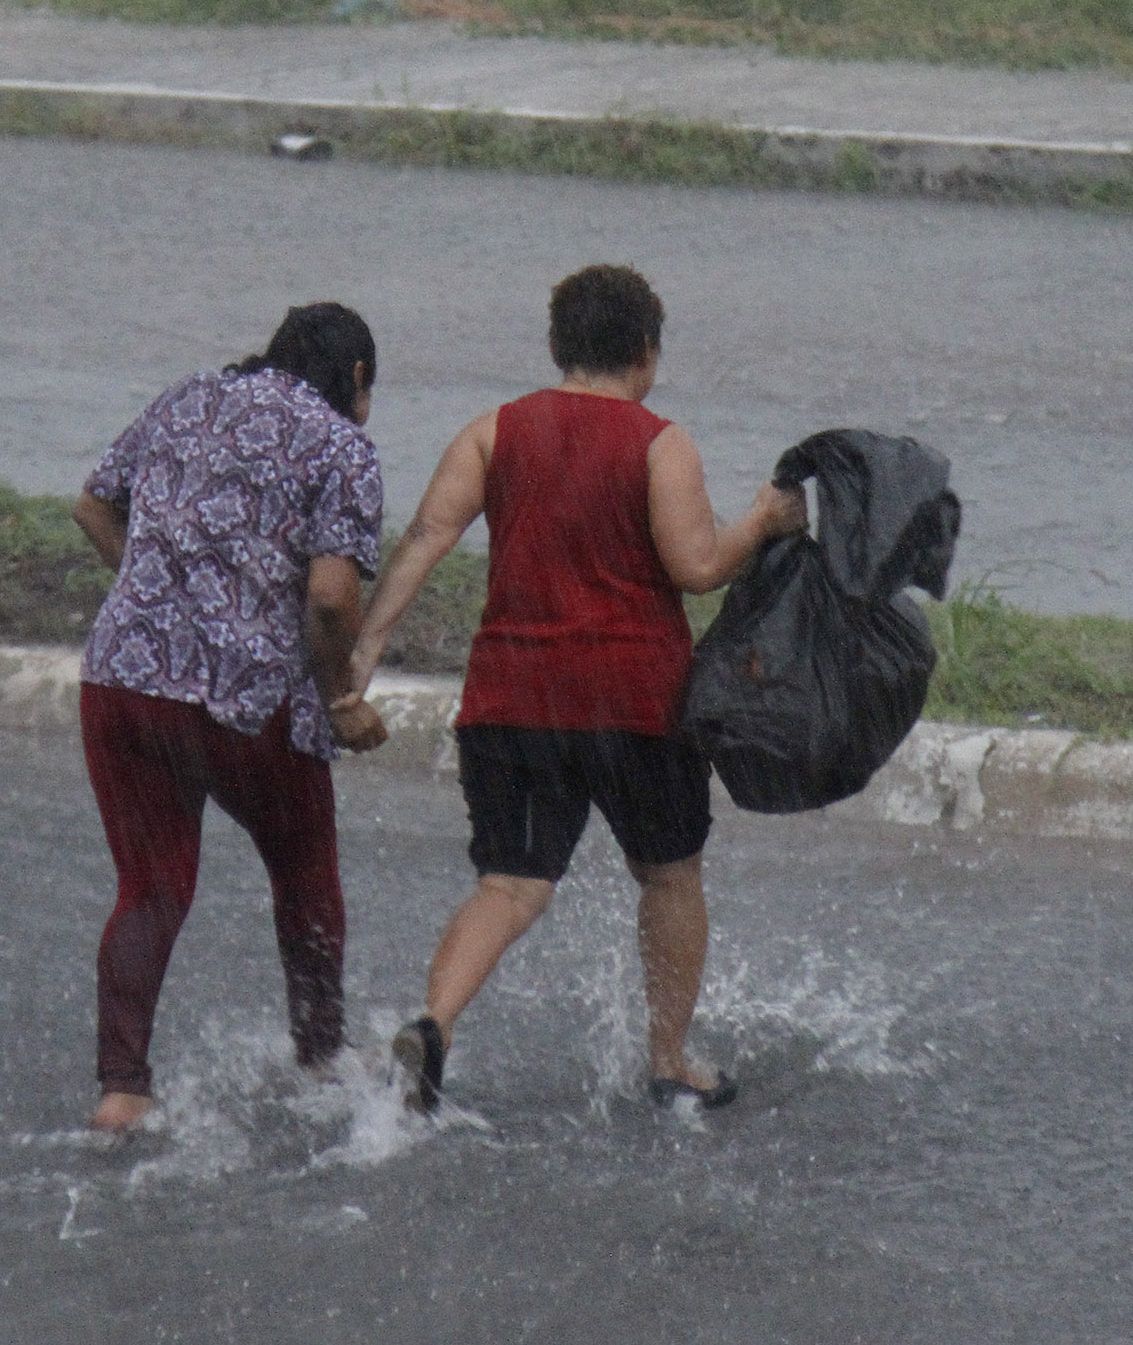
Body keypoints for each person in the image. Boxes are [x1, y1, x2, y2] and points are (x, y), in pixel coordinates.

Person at [344, 264, 806, 1114]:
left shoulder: (492, 432)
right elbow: (698, 569)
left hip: (512, 701)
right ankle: (671, 1063)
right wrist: (763, 523)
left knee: (510, 886)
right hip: (637, 704)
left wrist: (364, 650)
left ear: (557, 346)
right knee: (669, 876)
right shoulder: (660, 442)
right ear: (645, 353)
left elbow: (424, 535)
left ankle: (434, 1023)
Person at [70, 302, 390, 1133]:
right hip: (248, 702)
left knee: (150, 886)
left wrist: (158, 601)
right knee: (305, 869)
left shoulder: (186, 397)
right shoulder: (340, 444)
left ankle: (123, 1091)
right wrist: (339, 698)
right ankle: (321, 1056)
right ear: (357, 379)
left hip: (123, 681)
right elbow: (328, 600)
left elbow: (93, 506)